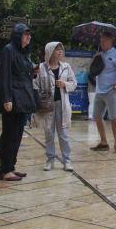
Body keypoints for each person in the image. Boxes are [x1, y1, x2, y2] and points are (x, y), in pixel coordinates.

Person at [0, 23, 37, 182]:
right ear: (18, 36)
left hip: (22, 99)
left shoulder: (24, 53)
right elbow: (5, 76)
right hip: (12, 99)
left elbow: (24, 75)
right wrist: (7, 99)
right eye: (26, 34)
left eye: (29, 35)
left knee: (17, 135)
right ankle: (4, 170)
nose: (29, 37)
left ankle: (11, 167)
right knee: (9, 135)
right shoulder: (8, 50)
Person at [36, 42, 76, 171]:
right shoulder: (42, 67)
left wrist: (64, 84)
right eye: (57, 49)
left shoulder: (66, 67)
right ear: (50, 51)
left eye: (61, 50)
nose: (60, 52)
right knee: (49, 133)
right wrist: (42, 93)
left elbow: (74, 83)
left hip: (62, 105)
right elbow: (35, 84)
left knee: (63, 134)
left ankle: (67, 161)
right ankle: (50, 160)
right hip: (47, 105)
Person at [90, 31, 116, 153]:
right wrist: (95, 60)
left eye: (104, 40)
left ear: (111, 41)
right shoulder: (99, 54)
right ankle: (104, 142)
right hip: (99, 90)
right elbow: (93, 70)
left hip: (111, 91)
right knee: (96, 116)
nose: (102, 42)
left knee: (114, 118)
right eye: (100, 40)